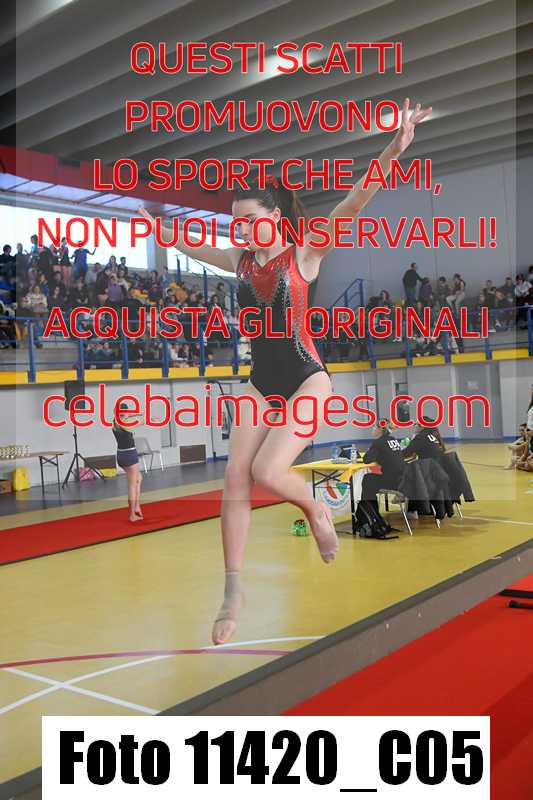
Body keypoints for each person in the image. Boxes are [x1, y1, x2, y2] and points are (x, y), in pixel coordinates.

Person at [138, 97, 432, 646]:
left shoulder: (305, 254)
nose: (242, 229)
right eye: (236, 222)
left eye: (250, 220)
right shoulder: (240, 260)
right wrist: (162, 228)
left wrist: (393, 149)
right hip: (261, 382)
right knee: (235, 478)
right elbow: (193, 247)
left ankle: (316, 509)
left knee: (269, 472)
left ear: (274, 218)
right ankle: (233, 590)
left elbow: (354, 201)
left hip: (306, 378)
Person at [360, 421, 405, 511]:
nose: (373, 429)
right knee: (370, 478)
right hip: (402, 479)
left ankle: (370, 511)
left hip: (392, 482)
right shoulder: (393, 440)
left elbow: (366, 460)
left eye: (374, 427)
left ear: (380, 429)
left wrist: (370, 450)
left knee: (367, 479)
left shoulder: (378, 442)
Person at [112, 401, 143, 522]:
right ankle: (132, 515)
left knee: (138, 479)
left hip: (121, 455)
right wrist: (148, 418)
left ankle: (137, 506)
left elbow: (125, 415)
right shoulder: (126, 424)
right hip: (130, 455)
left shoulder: (115, 422)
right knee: (132, 485)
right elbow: (141, 422)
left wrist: (139, 413)